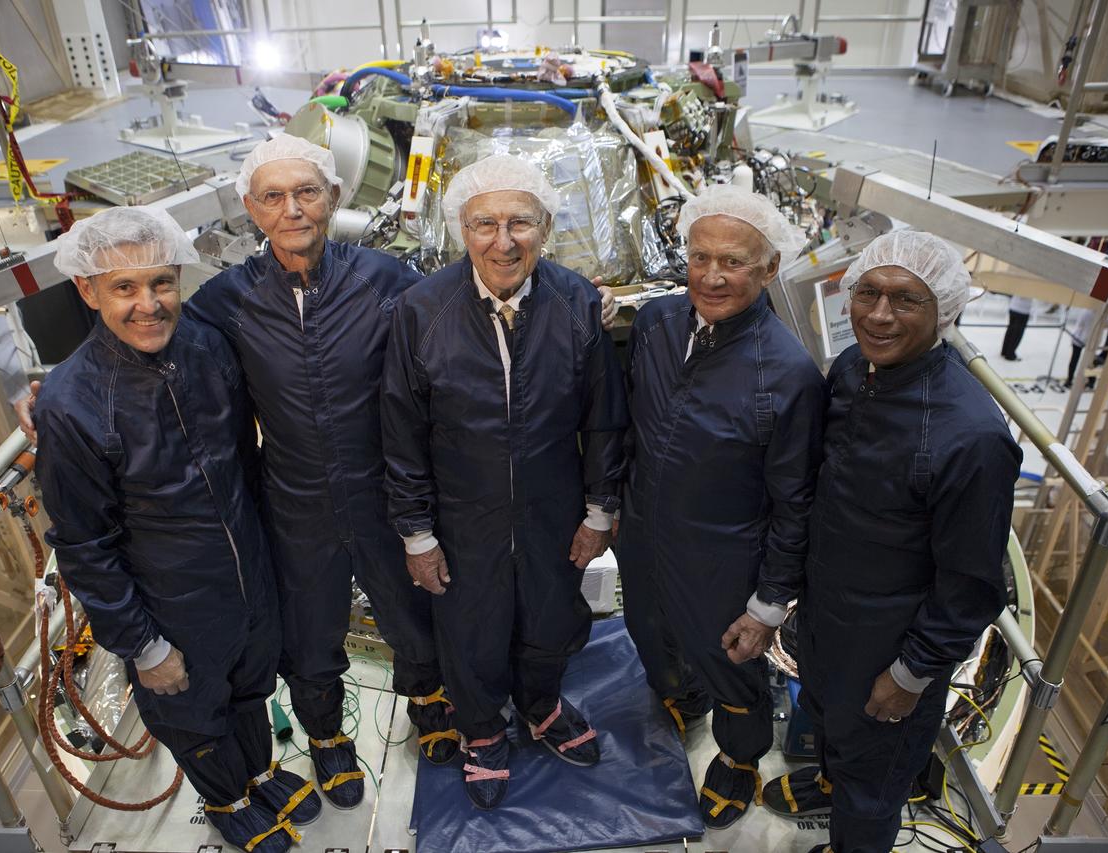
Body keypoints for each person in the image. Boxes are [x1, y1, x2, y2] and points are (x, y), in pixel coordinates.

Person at [14, 138, 619, 804]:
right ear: (250, 208)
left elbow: (468, 304)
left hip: (385, 492)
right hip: (293, 500)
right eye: (272, 197)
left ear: (333, 197)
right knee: (310, 634)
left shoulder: (386, 281)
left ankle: (430, 703)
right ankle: (327, 736)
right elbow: (146, 327)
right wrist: (58, 388)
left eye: (307, 192)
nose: (292, 209)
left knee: (416, 616)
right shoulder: (226, 300)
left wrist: (576, 300)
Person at [33, 207, 316, 853]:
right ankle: (226, 799)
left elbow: (244, 459)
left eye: (161, 282)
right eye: (124, 287)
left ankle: (260, 774)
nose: (149, 304)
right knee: (193, 710)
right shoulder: (71, 405)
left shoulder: (205, 348)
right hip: (171, 602)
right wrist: (142, 646)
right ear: (87, 290)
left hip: (245, 574)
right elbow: (83, 545)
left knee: (248, 688)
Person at [760, 231, 1022, 853]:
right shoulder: (857, 369)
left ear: (944, 310)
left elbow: (971, 583)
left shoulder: (971, 436)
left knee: (873, 783)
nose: (879, 315)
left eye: (906, 299)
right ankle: (830, 780)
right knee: (829, 721)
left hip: (890, 641)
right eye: (868, 293)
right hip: (828, 615)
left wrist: (911, 673)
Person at [380, 154, 628, 810]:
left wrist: (599, 510)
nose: (504, 241)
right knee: (471, 630)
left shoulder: (576, 302)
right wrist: (416, 534)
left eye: (521, 222)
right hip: (463, 514)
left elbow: (605, 418)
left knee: (552, 617)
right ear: (461, 230)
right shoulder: (422, 310)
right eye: (484, 224)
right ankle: (483, 729)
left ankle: (541, 706)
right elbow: (401, 434)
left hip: (554, 507)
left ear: (545, 227)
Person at [617, 185, 825, 829]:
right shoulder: (656, 324)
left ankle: (739, 758)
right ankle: (682, 696)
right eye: (700, 257)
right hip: (642, 531)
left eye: (733, 262)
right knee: (648, 629)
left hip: (722, 554)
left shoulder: (787, 374)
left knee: (731, 665)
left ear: (769, 268)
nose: (711, 276)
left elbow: (796, 504)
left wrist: (768, 604)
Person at [1000, 294, 1032, 361]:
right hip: (1023, 309)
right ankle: (1010, 354)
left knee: (1011, 329)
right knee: (1017, 333)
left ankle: (1004, 351)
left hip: (1014, 305)